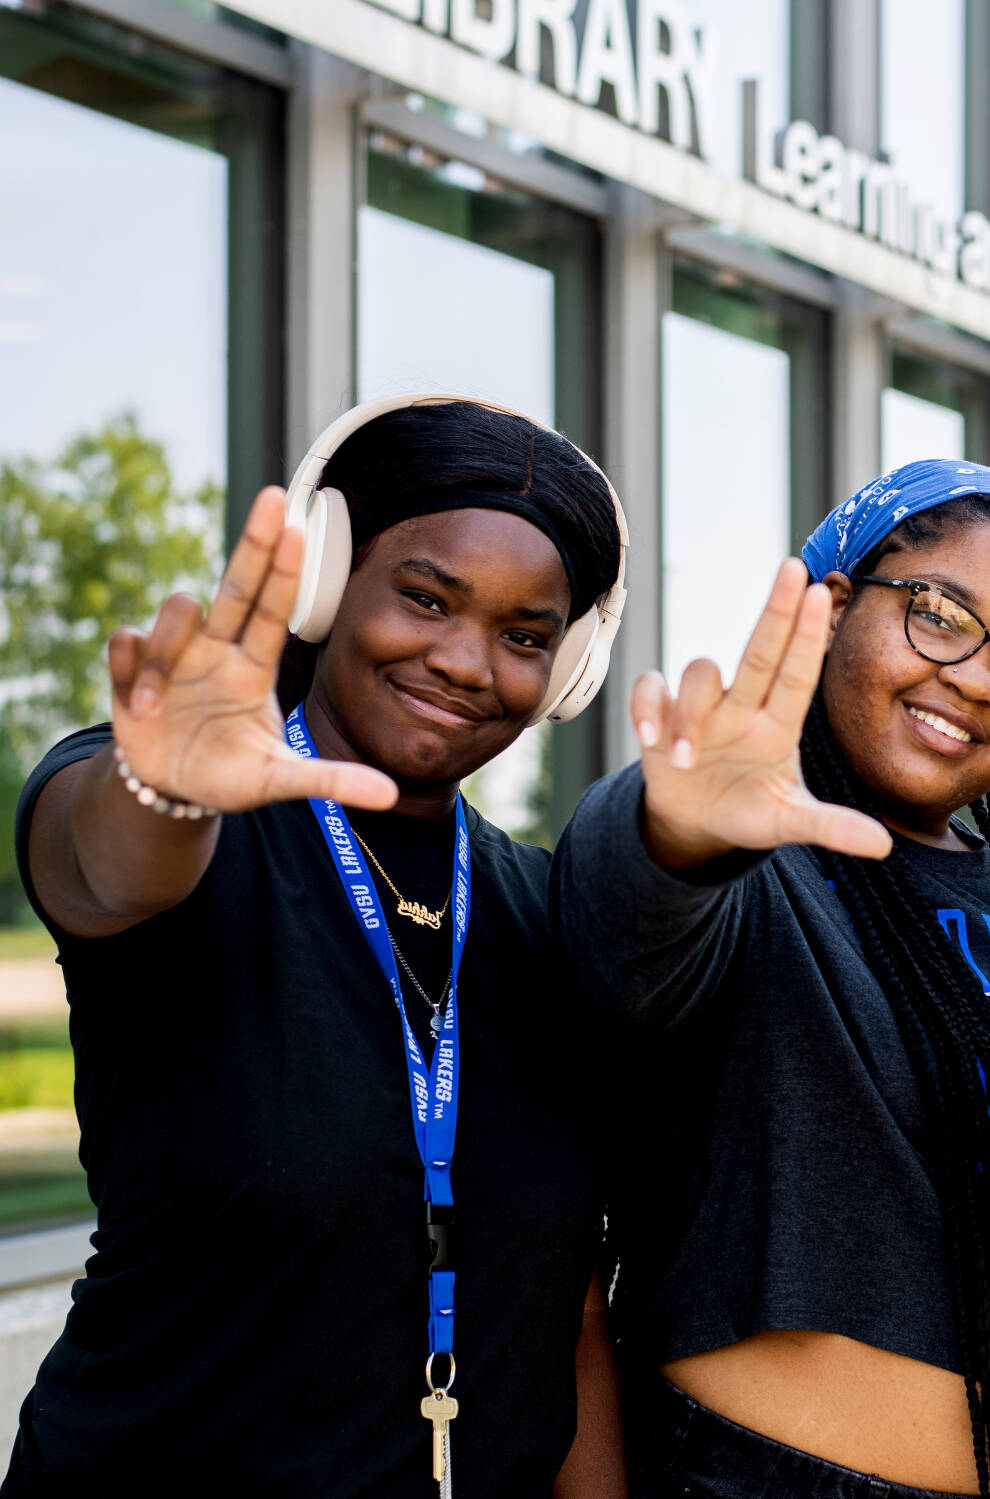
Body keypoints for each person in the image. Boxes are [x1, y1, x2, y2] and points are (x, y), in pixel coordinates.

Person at [7, 397, 629, 1497]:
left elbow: (568, 1309)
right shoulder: (186, 821)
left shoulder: (548, 912)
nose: (465, 661)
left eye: (524, 635)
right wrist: (161, 786)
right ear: (326, 583)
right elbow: (102, 861)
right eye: (425, 598)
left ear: (568, 667)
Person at [553, 460, 990, 1499]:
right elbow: (625, 922)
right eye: (936, 613)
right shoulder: (749, 862)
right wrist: (678, 831)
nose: (976, 676)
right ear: (829, 606)